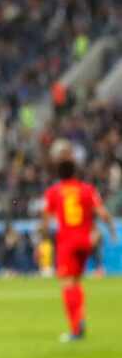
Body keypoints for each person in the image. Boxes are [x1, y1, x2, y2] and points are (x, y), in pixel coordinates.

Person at [41, 143, 117, 342]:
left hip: (67, 242)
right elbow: (102, 213)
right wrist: (111, 231)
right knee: (75, 282)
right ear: (75, 172)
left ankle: (76, 329)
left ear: (59, 173)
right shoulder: (87, 189)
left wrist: (43, 238)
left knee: (67, 284)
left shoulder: (54, 192)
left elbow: (45, 220)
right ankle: (80, 319)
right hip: (86, 242)